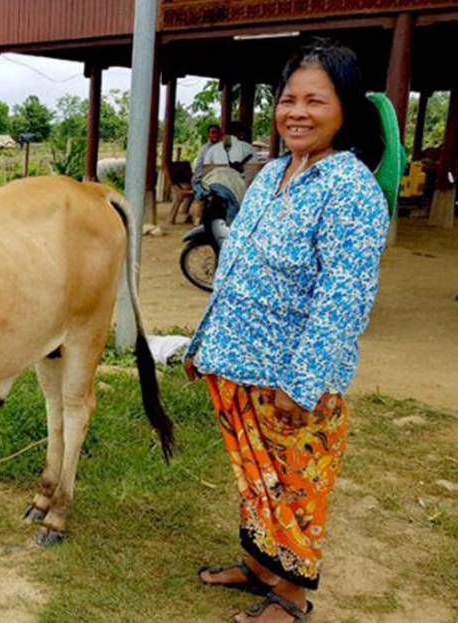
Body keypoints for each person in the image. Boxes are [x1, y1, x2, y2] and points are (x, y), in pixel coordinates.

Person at [184, 40, 388, 623]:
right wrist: (205, 343)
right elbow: (237, 269)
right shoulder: (273, 172)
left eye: (314, 101)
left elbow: (342, 299)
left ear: (345, 108)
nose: (296, 112)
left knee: (297, 485)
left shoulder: (350, 190)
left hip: (290, 381)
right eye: (288, 99)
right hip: (235, 366)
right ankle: (260, 567)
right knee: (256, 480)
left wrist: (303, 384)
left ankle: (292, 597)